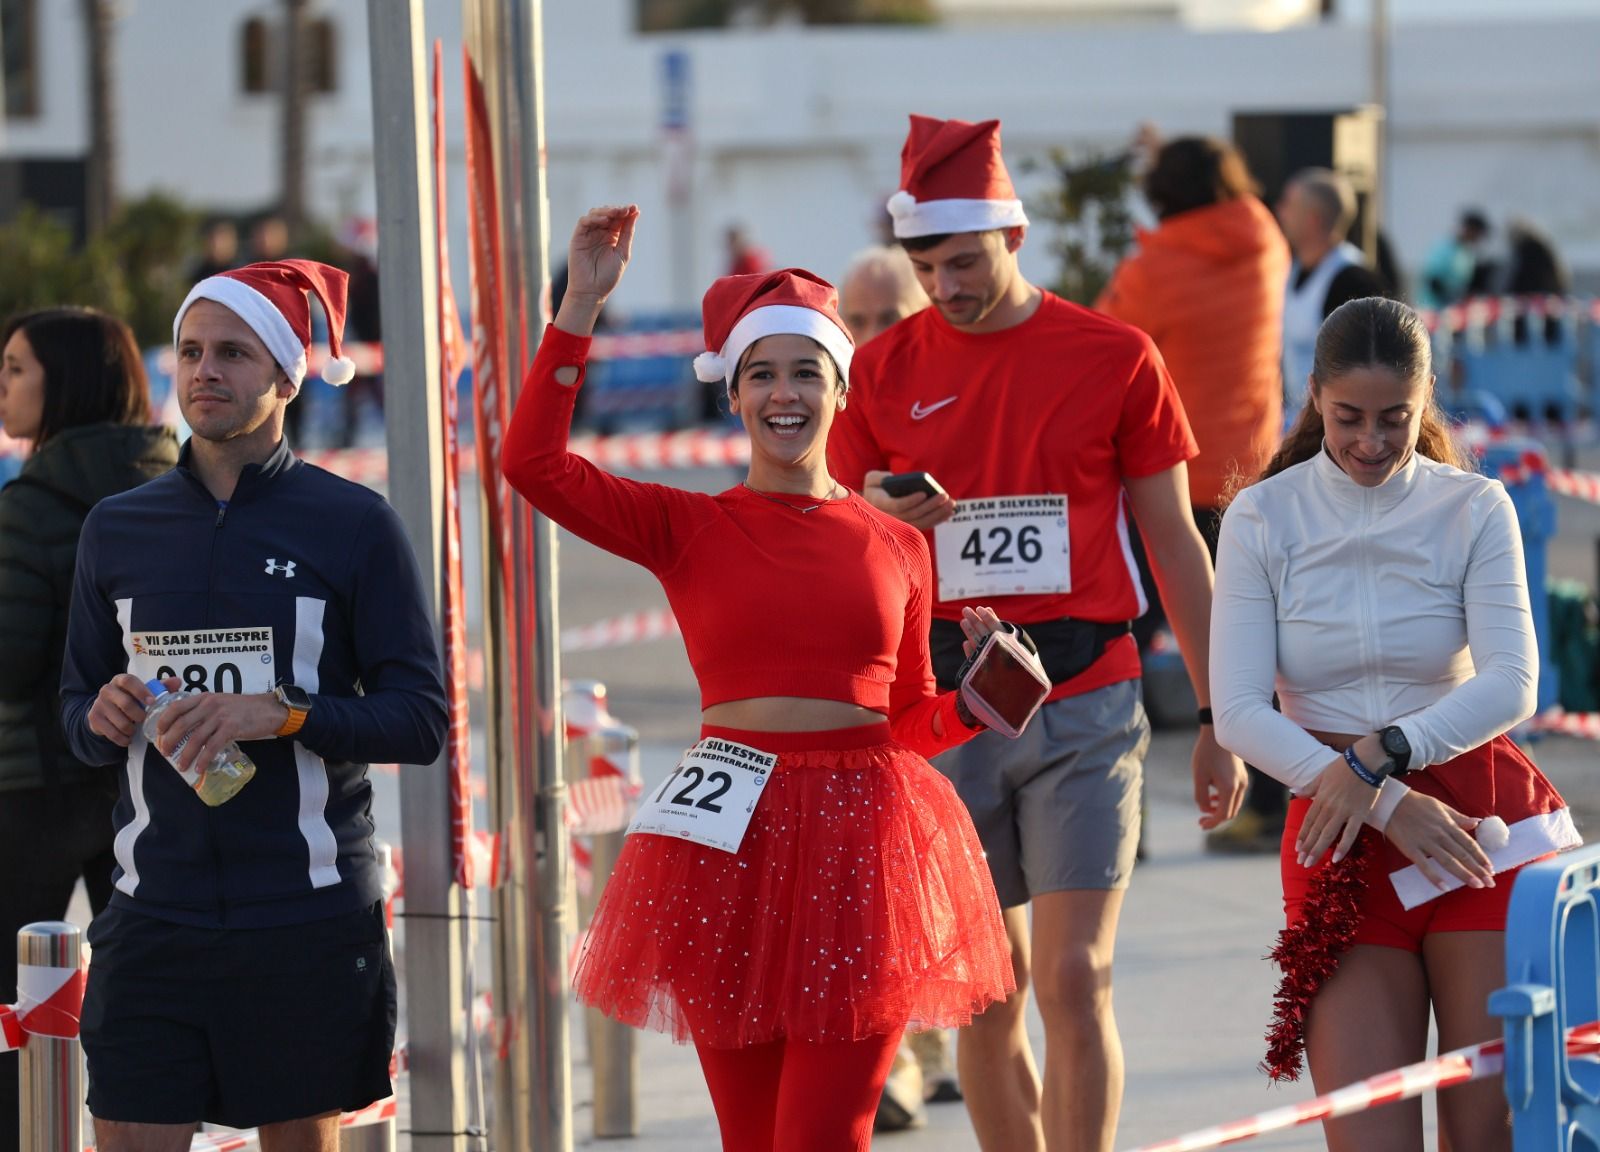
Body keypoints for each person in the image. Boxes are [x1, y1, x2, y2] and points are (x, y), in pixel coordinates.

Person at [503, 205, 1015, 1152]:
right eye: (762, 375)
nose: (786, 395)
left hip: (863, 851)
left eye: (806, 373)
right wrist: (578, 306)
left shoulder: (900, 544)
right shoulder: (688, 525)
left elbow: (907, 724)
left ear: (842, 391)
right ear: (733, 396)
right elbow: (530, 463)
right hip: (722, 846)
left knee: (824, 1138)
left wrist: (979, 704)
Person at [829, 114, 1246, 1152]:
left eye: (963, 261)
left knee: (1074, 975)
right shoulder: (878, 374)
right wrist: (874, 507)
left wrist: (1221, 713)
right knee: (984, 995)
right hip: (946, 711)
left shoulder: (1114, 356)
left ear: (1012, 238)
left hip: (1088, 694)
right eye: (926, 265)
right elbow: (821, 538)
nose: (945, 285)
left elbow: (1175, 544)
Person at [60, 259, 447, 1152]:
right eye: (190, 351)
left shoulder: (353, 523)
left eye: (232, 353)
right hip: (151, 913)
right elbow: (74, 713)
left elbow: (419, 718)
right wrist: (101, 717)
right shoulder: (116, 527)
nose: (203, 371)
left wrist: (287, 714)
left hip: (305, 917)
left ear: (284, 376)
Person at [1210, 296, 1580, 1152]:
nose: (1371, 441)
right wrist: (1382, 800)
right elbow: (1236, 712)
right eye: (1348, 418)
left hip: (1477, 823)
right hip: (1338, 824)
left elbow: (1514, 681)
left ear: (1426, 400)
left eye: (1395, 419)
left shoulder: (1475, 506)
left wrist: (1386, 756)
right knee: (1370, 1135)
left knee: (1487, 1133)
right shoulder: (1263, 517)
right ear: (1313, 398)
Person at [0, 308, 178, 1152]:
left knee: (18, 992)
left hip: (31, 782)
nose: (2, 388)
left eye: (15, 370)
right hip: (150, 779)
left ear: (62, 383)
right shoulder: (177, 483)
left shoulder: (31, 505)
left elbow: (7, 658)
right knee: (137, 991)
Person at [1097, 134, 1292, 856]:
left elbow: (1103, 341)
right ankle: (1271, 806)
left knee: (1125, 642)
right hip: (1251, 473)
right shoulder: (1265, 241)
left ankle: (1124, 814)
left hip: (1167, 479)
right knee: (1251, 647)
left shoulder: (1157, 268)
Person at [837, 244, 961, 1127]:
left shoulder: (960, 387)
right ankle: (907, 1064)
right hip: (868, 686)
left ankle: (950, 1043)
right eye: (860, 320)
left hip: (961, 664)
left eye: (892, 317)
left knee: (960, 883)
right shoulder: (823, 407)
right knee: (888, 884)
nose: (875, 337)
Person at [1277, 168, 1391, 418]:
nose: (1280, 213)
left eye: (1289, 205)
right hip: (1296, 423)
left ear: (1313, 219)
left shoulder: (1355, 281)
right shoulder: (1290, 271)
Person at [1417, 209, 1490, 311]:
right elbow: (1432, 280)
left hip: (1453, 311)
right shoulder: (1443, 247)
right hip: (1433, 308)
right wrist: (1450, 295)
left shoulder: (1467, 253)